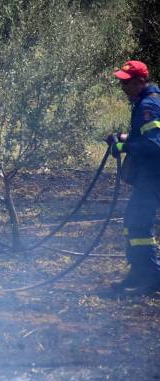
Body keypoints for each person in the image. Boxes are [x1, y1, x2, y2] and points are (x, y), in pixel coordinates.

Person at [106, 60, 160, 297]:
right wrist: (124, 137)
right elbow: (146, 136)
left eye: (127, 83)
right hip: (149, 176)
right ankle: (139, 272)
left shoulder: (149, 105)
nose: (123, 87)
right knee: (132, 220)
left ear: (141, 81)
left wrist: (123, 146)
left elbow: (154, 145)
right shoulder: (146, 101)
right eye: (121, 82)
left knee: (139, 223)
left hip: (154, 176)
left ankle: (152, 277)